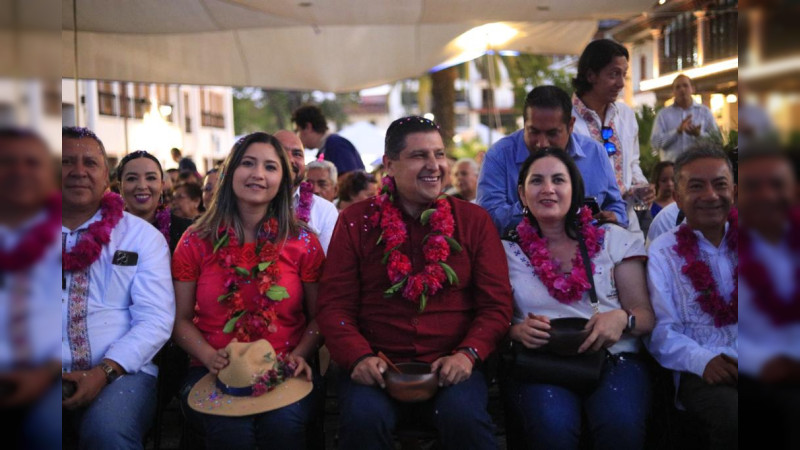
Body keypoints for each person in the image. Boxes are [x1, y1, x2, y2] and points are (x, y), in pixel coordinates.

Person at [317, 116, 513, 450]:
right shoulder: (356, 221)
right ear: (389, 165)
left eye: (439, 154)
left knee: (464, 421)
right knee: (363, 422)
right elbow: (334, 305)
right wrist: (358, 357)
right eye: (420, 156)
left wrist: (468, 354)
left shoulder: (473, 220)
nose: (434, 166)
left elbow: (496, 306)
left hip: (453, 368)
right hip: (376, 368)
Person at [171, 132, 326, 449]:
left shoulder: (303, 241)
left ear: (282, 180)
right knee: (230, 432)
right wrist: (207, 356)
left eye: (270, 167)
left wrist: (299, 356)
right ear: (229, 173)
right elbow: (179, 319)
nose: (258, 174)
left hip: (285, 370)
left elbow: (321, 316)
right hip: (211, 372)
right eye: (248, 163)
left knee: (284, 426)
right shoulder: (195, 240)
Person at [502, 148, 654, 449]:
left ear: (574, 188)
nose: (548, 189)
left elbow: (645, 316)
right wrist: (514, 330)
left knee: (620, 424)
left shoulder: (612, 238)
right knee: (551, 428)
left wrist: (622, 317)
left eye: (559, 180)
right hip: (541, 362)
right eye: (537, 181)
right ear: (522, 193)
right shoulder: (505, 251)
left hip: (614, 357)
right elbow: (491, 315)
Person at [61, 127, 175, 449]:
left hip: (122, 374)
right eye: (67, 161)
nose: (79, 171)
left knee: (107, 435)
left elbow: (155, 320)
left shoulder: (140, 237)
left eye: (90, 163)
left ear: (106, 175)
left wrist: (103, 373)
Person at [645, 146, 738, 450]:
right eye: (696, 186)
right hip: (700, 369)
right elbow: (661, 331)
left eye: (720, 184)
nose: (711, 195)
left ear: (734, 190)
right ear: (677, 197)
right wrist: (704, 361)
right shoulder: (662, 251)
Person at [478, 85, 627, 235]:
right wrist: (532, 207)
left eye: (552, 133)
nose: (542, 143)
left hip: (589, 252)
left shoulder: (595, 153)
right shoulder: (499, 156)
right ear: (524, 125)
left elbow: (617, 207)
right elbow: (487, 220)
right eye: (534, 132)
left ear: (571, 125)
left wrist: (613, 217)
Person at [0, 128, 61, 450]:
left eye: (31, 163)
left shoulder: (68, 236)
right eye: (7, 161)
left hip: (49, 375)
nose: (19, 172)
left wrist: (45, 372)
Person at [737, 148, 800, 448]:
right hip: (759, 373)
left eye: (776, 184)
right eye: (753, 186)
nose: (765, 195)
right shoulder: (726, 246)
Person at [570, 39, 653, 237]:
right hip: (583, 225)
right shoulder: (566, 119)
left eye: (624, 74)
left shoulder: (625, 115)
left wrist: (641, 186)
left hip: (627, 222)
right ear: (591, 75)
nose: (621, 83)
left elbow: (632, 163)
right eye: (614, 74)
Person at [116, 150, 194, 254]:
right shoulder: (106, 232)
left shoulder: (187, 232)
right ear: (120, 187)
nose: (142, 186)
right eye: (131, 179)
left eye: (151, 178)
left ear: (162, 185)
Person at [275, 130, 339, 254]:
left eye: (297, 154)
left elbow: (327, 265)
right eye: (281, 153)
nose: (290, 160)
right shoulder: (251, 204)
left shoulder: (325, 210)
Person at [650, 75, 721, 162]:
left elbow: (717, 140)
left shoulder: (704, 112)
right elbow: (655, 143)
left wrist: (699, 134)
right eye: (678, 87)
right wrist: (677, 131)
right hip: (672, 170)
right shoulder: (663, 115)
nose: (682, 89)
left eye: (685, 85)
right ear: (673, 92)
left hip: (698, 167)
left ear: (692, 89)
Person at [292, 104, 365, 175]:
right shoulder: (329, 146)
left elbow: (347, 179)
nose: (297, 136)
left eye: (297, 131)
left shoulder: (336, 145)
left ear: (308, 127)